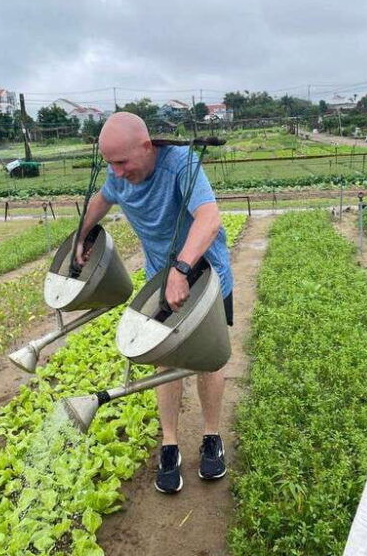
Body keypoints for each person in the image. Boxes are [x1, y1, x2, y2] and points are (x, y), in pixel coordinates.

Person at [75, 111, 233, 494]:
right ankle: (169, 443)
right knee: (165, 359)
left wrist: (182, 267)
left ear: (146, 147)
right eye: (109, 163)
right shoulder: (117, 178)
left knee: (208, 359)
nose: (116, 172)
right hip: (160, 283)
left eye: (122, 162)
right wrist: (81, 235)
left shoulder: (180, 164)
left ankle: (211, 436)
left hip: (207, 277)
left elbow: (209, 218)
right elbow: (101, 199)